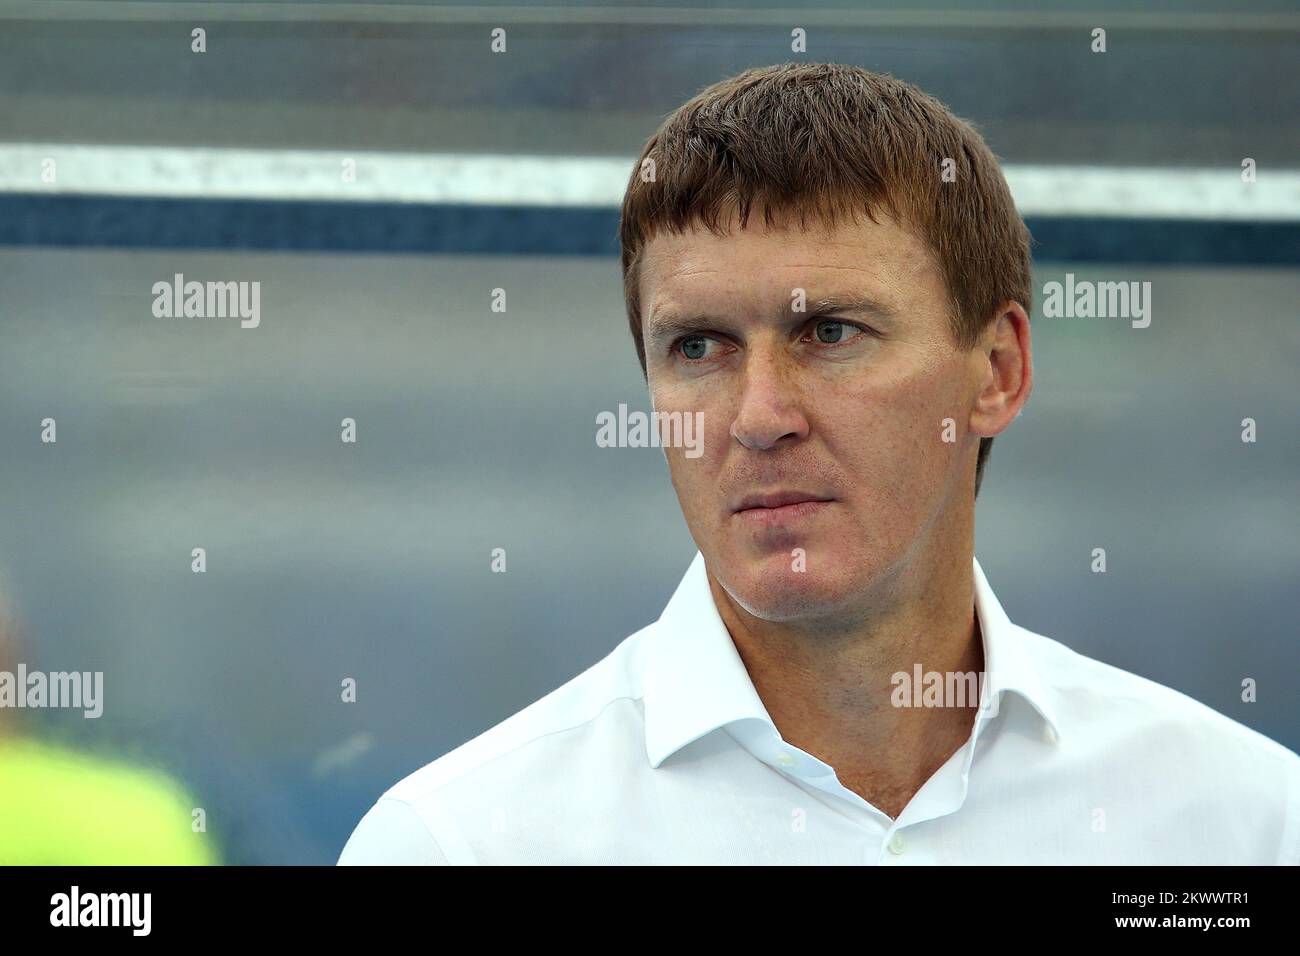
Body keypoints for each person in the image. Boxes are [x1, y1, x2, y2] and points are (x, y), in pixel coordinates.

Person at [339, 62, 1299, 865]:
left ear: (997, 371)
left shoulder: (1242, 825)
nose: (758, 418)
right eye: (699, 348)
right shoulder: (459, 844)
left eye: (829, 332)